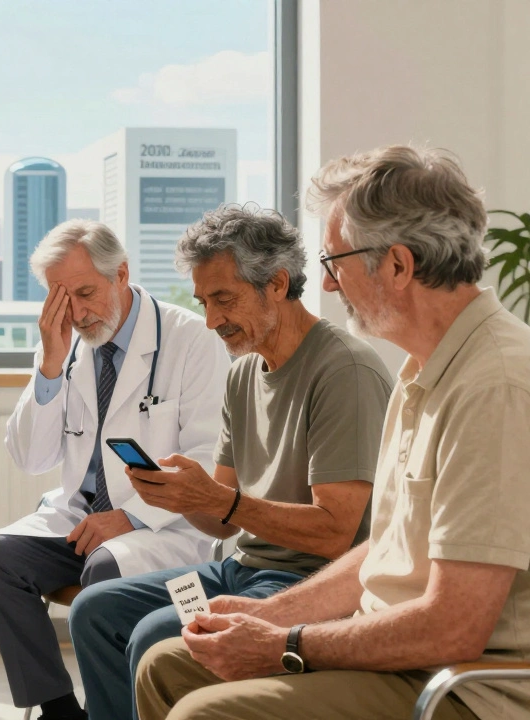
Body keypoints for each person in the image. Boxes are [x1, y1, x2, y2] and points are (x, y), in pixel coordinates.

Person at [134, 145, 530, 720]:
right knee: (164, 666)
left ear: (397, 265)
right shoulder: (423, 369)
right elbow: (384, 547)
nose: (323, 286)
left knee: (204, 713)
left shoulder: (494, 385)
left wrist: (285, 644)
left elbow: (454, 626)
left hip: (459, 688)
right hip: (394, 653)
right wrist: (270, 617)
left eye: (333, 263)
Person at [68, 204, 393, 720]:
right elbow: (220, 512)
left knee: (156, 635)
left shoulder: (344, 371)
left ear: (278, 284)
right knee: (95, 610)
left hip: (309, 580)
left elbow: (335, 532)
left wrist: (218, 499)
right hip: (239, 569)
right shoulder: (243, 374)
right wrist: (178, 494)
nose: (211, 320)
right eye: (203, 302)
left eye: (224, 299)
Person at [0, 219, 230, 720]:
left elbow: (207, 462)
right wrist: (49, 360)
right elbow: (30, 457)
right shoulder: (66, 347)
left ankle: (115, 707)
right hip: (77, 520)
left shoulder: (193, 341)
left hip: (163, 529)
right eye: (62, 300)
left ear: (122, 274)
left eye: (86, 293)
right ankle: (61, 710)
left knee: (106, 570)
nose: (78, 313)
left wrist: (130, 518)